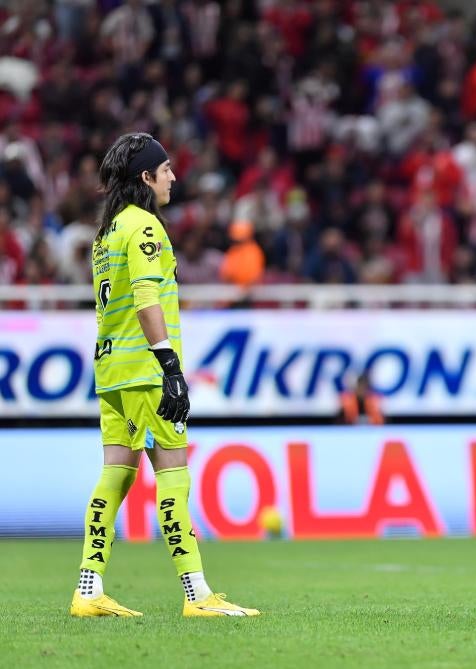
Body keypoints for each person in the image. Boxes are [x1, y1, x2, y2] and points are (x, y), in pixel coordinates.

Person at [71, 133, 259, 617]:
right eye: (167, 169)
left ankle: (88, 590)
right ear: (146, 177)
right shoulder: (145, 228)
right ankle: (198, 596)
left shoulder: (106, 232)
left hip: (111, 370)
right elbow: (146, 299)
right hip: (145, 368)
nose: (174, 177)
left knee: (115, 475)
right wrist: (169, 364)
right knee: (173, 473)